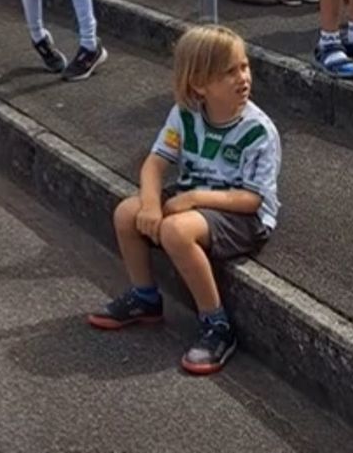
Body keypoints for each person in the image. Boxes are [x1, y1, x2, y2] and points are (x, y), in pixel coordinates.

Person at [88, 25, 280, 377]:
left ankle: (217, 324)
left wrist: (191, 198)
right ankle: (145, 298)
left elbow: (252, 199)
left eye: (244, 66)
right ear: (199, 85)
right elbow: (154, 163)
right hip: (195, 201)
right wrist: (149, 204)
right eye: (229, 71)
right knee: (126, 213)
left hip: (242, 215)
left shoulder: (258, 130)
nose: (242, 78)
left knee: (176, 230)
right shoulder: (185, 114)